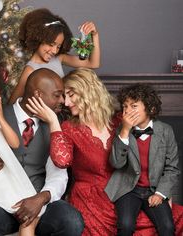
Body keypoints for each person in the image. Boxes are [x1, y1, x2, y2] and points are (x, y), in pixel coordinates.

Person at [25, 68, 183, 235]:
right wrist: (53, 122)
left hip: (125, 191)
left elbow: (151, 154)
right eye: (64, 96)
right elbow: (61, 161)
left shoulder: (120, 120)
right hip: (90, 199)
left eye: (71, 95)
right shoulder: (69, 128)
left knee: (175, 218)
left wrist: (163, 191)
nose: (66, 102)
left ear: (88, 91)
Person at [0, 68, 84, 236]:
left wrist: (41, 198)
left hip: (37, 203)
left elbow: (59, 174)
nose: (63, 101)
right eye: (57, 95)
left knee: (72, 221)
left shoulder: (56, 124)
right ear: (38, 95)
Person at [105, 83, 183, 236]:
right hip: (129, 189)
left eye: (133, 106)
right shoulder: (121, 130)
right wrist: (126, 131)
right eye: (125, 106)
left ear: (151, 109)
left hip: (153, 190)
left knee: (167, 226)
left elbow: (172, 168)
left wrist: (161, 194)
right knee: (125, 225)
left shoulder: (166, 131)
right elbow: (116, 163)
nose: (127, 110)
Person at [8, 8, 100, 104]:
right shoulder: (30, 70)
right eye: (51, 44)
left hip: (66, 109)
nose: (54, 51)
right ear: (39, 38)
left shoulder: (58, 58)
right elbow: (12, 103)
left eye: (58, 46)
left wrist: (95, 35)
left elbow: (93, 64)